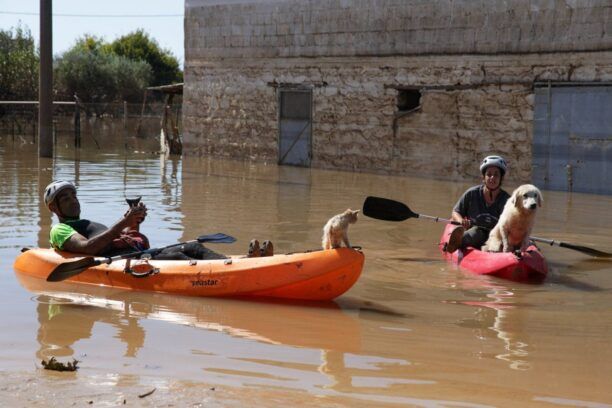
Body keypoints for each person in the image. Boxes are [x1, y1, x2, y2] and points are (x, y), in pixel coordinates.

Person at [44, 180, 230, 260]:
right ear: (53, 208)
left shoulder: (87, 223)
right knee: (177, 257)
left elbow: (121, 238)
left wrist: (134, 221)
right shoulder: (60, 230)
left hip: (137, 254)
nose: (73, 201)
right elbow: (88, 248)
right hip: (122, 261)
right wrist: (124, 222)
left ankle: (232, 263)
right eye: (66, 198)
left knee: (194, 247)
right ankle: (226, 275)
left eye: (74, 195)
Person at [444, 155, 511, 253]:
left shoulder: (508, 201)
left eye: (496, 175)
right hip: (475, 232)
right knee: (475, 233)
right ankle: (453, 244)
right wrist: (461, 221)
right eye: (489, 174)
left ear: (501, 178)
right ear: (483, 177)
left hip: (497, 236)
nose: (492, 178)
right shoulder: (472, 193)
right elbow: (456, 212)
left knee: (500, 244)